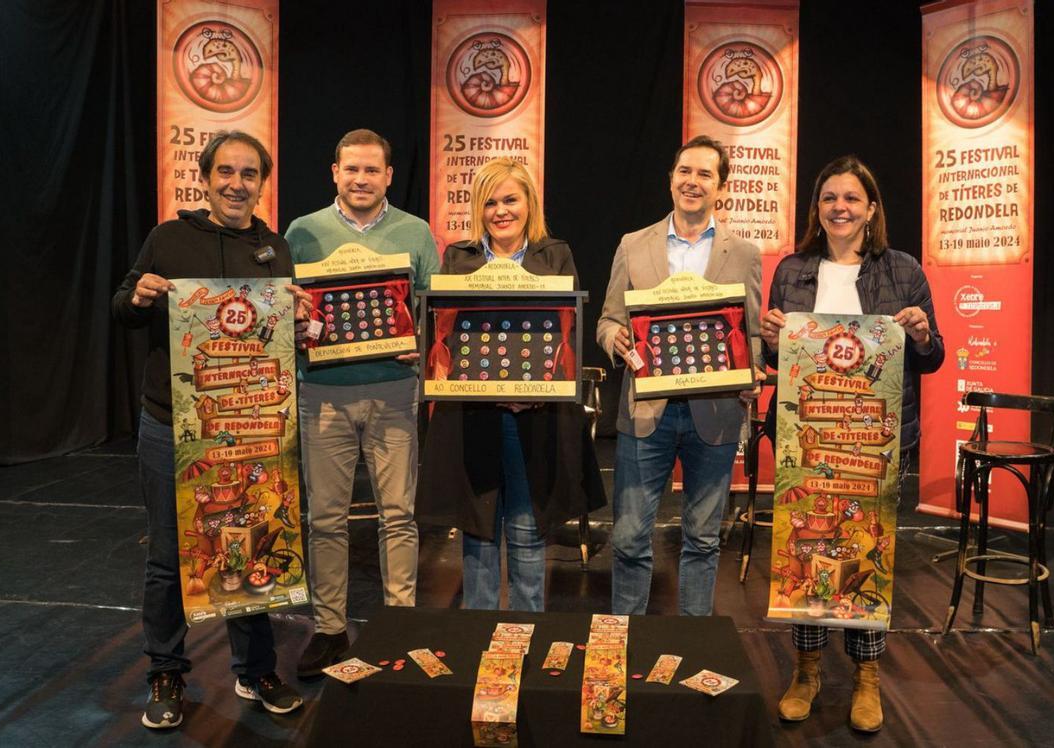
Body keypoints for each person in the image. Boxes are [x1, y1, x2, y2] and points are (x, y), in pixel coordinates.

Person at [112, 131, 308, 729]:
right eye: (226, 171)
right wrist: (140, 294)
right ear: (205, 177)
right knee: (170, 556)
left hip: (249, 432)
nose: (236, 183)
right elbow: (122, 306)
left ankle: (256, 671)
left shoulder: (273, 249)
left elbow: (280, 339)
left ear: (261, 184)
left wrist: (299, 318)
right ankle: (167, 673)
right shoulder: (167, 239)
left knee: (249, 546)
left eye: (249, 174)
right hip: (172, 426)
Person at [760, 155, 945, 733]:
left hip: (878, 442)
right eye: (829, 198)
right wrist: (770, 339)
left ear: (871, 208)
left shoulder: (903, 269)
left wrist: (919, 334)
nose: (840, 207)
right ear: (817, 208)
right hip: (808, 436)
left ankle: (867, 678)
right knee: (808, 552)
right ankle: (807, 670)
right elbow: (780, 359)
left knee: (868, 554)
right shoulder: (792, 269)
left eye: (851, 198)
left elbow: (933, 357)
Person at [416, 157, 607, 611]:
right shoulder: (458, 257)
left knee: (526, 530)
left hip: (536, 419)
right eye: (490, 202)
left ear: (529, 204)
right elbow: (445, 335)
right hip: (473, 418)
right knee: (479, 532)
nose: (501, 211)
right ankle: (478, 639)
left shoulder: (555, 254)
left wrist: (536, 392)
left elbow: (567, 336)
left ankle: (526, 638)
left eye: (510, 200)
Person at [284, 129, 440, 676]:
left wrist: (418, 343)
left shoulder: (416, 233)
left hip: (394, 391)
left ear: (388, 176)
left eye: (372, 170)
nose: (361, 179)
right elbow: (287, 310)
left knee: (399, 516)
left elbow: (431, 311)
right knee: (325, 518)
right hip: (323, 392)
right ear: (334, 172)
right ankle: (329, 629)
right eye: (351, 169)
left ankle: (400, 622)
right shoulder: (301, 232)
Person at [597, 135, 762, 617]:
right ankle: (626, 639)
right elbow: (608, 319)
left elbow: (748, 333)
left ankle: (692, 643)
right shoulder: (633, 245)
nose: (692, 182)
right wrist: (616, 341)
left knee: (704, 539)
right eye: (684, 171)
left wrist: (750, 374)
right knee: (628, 536)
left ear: (721, 188)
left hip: (714, 414)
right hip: (647, 411)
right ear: (671, 179)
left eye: (705, 174)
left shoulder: (745, 253)